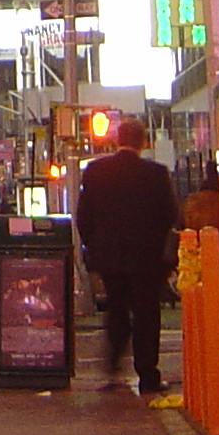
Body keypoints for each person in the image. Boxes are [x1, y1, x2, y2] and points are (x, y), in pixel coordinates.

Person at [76, 117, 180, 397]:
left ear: (116, 140)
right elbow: (170, 215)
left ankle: (112, 369)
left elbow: (84, 216)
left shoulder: (96, 171)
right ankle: (148, 375)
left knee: (116, 309)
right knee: (147, 314)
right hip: (147, 258)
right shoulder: (156, 173)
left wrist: (94, 246)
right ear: (143, 142)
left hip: (109, 256)